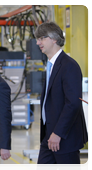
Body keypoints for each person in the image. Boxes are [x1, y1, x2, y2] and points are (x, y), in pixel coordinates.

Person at [35, 22, 88, 170]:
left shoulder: (69, 65)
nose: (38, 42)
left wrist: (58, 133)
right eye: (37, 39)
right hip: (48, 136)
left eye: (42, 38)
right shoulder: (51, 65)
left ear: (54, 39)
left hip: (64, 137)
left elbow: (73, 104)